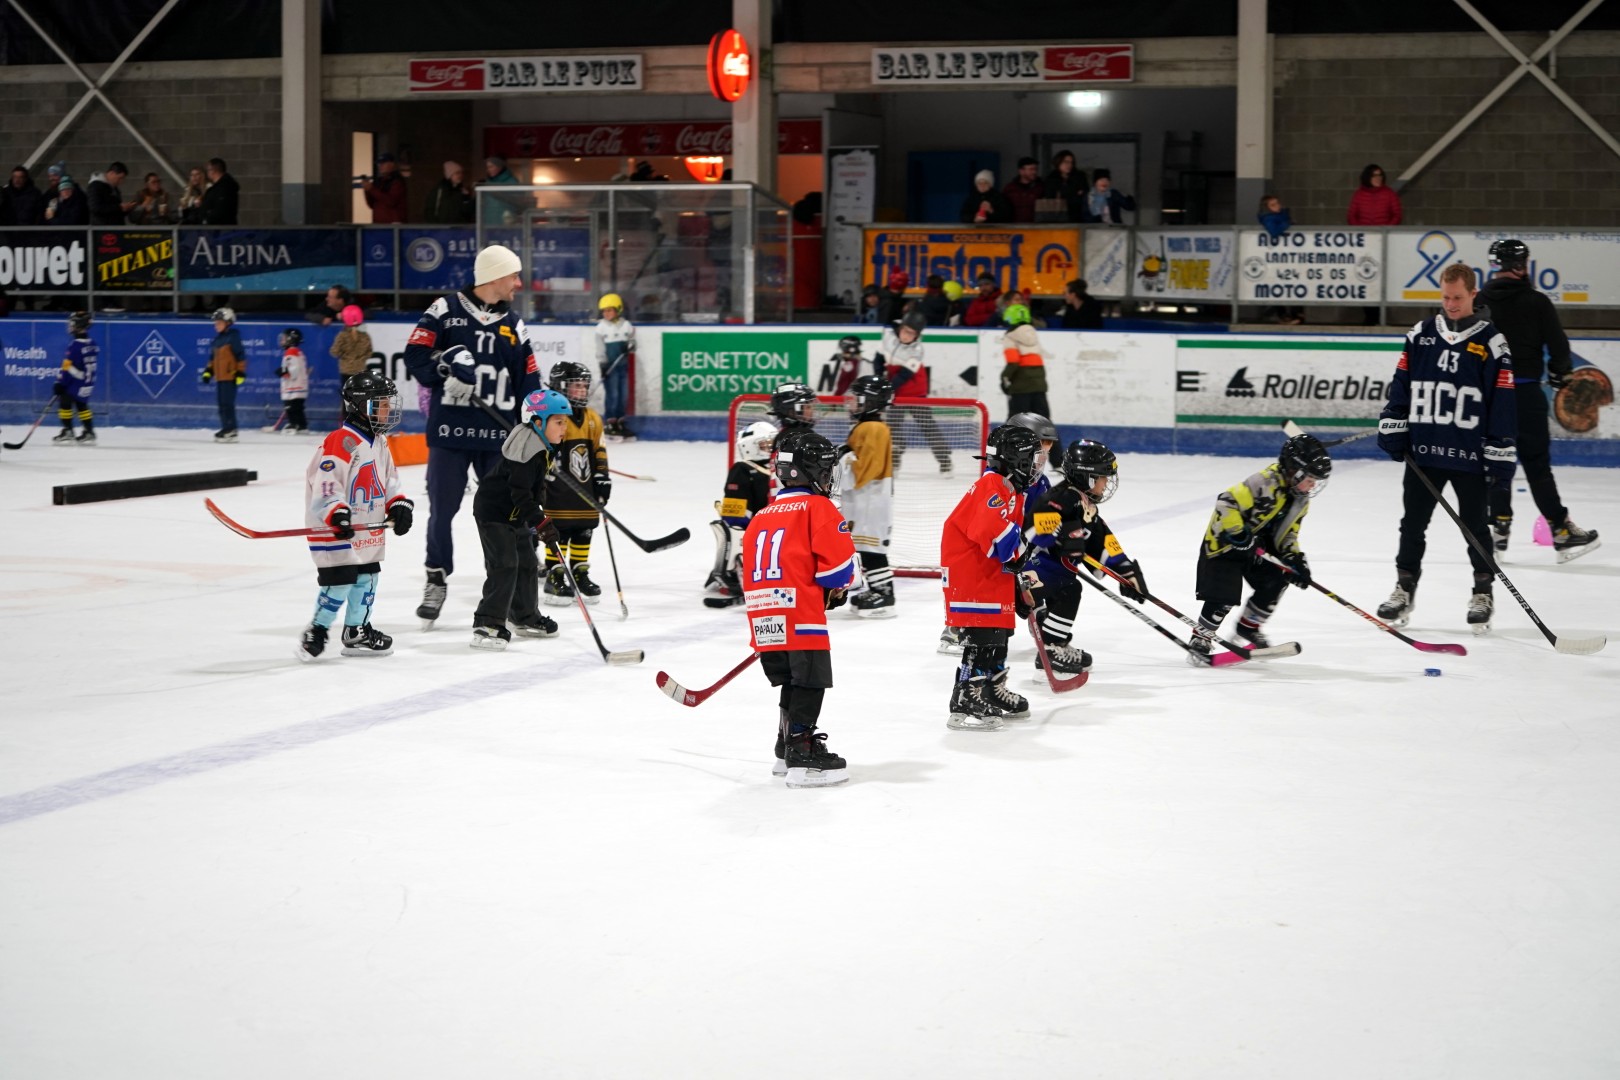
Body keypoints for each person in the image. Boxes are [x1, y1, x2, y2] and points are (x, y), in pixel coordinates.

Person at [402, 243, 542, 627]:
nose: (518, 283)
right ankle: (436, 577)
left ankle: (512, 593)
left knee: (505, 516)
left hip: (498, 438)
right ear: (495, 276)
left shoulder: (514, 324)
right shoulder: (444, 310)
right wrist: (443, 367)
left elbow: (529, 382)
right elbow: (415, 355)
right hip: (450, 433)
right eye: (513, 275)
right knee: (442, 511)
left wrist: (537, 426)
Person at [1376, 263, 1518, 634]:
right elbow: (1402, 383)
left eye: (1457, 297)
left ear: (1473, 294)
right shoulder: (1421, 334)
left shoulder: (1492, 342)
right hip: (1425, 451)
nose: (1451, 304)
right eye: (1445, 297)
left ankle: (1482, 592)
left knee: (1475, 527)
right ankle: (1404, 588)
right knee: (1412, 524)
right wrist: (1394, 420)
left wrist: (1500, 450)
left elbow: (1502, 402)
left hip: (1468, 455)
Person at [742, 428, 858, 788]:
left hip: (763, 617)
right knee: (809, 681)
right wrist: (835, 590)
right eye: (825, 468)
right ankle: (802, 751)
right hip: (800, 615)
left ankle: (785, 748)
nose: (828, 475)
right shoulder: (818, 507)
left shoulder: (762, 515)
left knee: (791, 682)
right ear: (812, 471)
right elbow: (838, 571)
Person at [1479, 238, 1600, 562]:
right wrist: (1560, 374)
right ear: (1520, 265)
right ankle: (1560, 530)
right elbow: (1558, 346)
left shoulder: (1480, 301)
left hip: (1491, 399)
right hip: (1527, 395)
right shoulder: (1537, 302)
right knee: (1536, 466)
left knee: (1496, 462)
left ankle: (1498, 529)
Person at [941, 424, 1053, 731]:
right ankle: (965, 697)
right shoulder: (992, 485)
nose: (1036, 466)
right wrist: (1026, 547)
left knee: (999, 637)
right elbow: (996, 539)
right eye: (1032, 459)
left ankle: (990, 689)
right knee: (981, 639)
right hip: (973, 577)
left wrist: (1021, 583)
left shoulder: (1009, 488)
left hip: (990, 575)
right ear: (1017, 459)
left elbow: (1010, 550)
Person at [296, 372, 414, 662]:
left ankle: (356, 631)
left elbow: (389, 480)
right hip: (336, 527)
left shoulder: (379, 441)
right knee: (340, 580)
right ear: (363, 406)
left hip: (367, 526)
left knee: (367, 577)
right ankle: (317, 630)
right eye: (382, 404)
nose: (388, 409)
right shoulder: (342, 441)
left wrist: (398, 504)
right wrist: (337, 513)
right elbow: (326, 484)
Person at [1188, 434, 1332, 663]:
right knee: (1224, 596)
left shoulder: (1301, 501)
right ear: (1294, 470)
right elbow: (1226, 501)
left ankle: (1248, 627)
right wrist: (1238, 533)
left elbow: (1289, 533)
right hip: (1225, 545)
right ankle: (1202, 637)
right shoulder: (1264, 482)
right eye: (1310, 478)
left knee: (1278, 579)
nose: (1312, 485)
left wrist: (1294, 559)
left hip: (1259, 548)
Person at [1025, 438, 1151, 675]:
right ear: (1087, 477)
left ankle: (1053, 642)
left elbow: (1102, 541)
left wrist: (1125, 570)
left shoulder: (1086, 505)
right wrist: (1062, 535)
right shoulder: (1059, 498)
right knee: (1069, 589)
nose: (1107, 483)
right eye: (1103, 477)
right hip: (1029, 570)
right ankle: (1051, 649)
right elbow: (1034, 529)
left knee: (1067, 589)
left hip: (1053, 573)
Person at [469, 388, 574, 649]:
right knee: (504, 565)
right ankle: (488, 622)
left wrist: (540, 515)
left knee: (527, 563)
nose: (564, 428)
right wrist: (541, 522)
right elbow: (520, 494)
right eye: (558, 422)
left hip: (515, 515)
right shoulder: (526, 451)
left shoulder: (544, 444)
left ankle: (525, 616)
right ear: (538, 422)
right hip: (494, 513)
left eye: (565, 422)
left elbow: (534, 489)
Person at [540, 361, 611, 606]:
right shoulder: (553, 417)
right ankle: (555, 574)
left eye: (584, 386)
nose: (582, 390)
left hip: (585, 488)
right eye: (575, 386)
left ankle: (579, 572)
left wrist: (602, 478)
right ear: (560, 387)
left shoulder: (592, 418)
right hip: (556, 490)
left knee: (584, 528)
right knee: (557, 530)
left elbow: (599, 450)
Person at [840, 375, 898, 618]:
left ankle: (884, 595)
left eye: (857, 398)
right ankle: (877, 590)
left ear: (870, 401)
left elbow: (863, 470)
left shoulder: (872, 428)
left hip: (870, 502)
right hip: (866, 501)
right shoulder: (869, 426)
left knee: (872, 549)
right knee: (865, 548)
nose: (851, 403)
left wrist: (841, 458)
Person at [705, 420, 777, 606]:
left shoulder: (777, 467)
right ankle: (740, 574)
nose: (770, 447)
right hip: (758, 533)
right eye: (765, 444)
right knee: (736, 532)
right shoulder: (742, 470)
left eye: (772, 443)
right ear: (749, 446)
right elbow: (735, 517)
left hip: (778, 528)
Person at [878, 309, 952, 474]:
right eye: (905, 331)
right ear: (900, 327)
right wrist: (879, 379)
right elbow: (879, 358)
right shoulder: (888, 337)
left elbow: (904, 375)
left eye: (911, 334)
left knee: (927, 426)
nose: (906, 336)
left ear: (917, 335)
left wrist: (887, 388)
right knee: (892, 426)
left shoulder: (917, 350)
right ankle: (895, 456)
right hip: (895, 391)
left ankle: (944, 459)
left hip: (915, 391)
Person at [51, 310, 98, 444]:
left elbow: (67, 366)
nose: (70, 326)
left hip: (75, 382)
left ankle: (68, 431)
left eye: (72, 323)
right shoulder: (92, 343)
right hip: (87, 381)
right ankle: (89, 432)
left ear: (79, 325)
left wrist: (60, 382)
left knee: (65, 403)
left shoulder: (75, 346)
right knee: (81, 405)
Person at [594, 292, 637, 440]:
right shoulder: (601, 328)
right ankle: (610, 422)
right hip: (609, 368)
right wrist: (603, 365)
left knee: (623, 395)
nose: (606, 313)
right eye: (604, 311)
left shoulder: (626, 326)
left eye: (609, 310)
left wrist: (630, 346)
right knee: (613, 394)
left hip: (622, 366)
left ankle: (620, 422)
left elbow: (633, 342)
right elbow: (600, 349)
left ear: (618, 310)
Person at [199, 306, 245, 442]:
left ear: (228, 323)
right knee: (221, 404)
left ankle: (231, 429)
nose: (216, 326)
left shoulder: (233, 338)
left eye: (219, 323)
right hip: (220, 378)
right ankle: (226, 427)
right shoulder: (217, 341)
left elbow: (240, 356)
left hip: (230, 376)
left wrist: (240, 372)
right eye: (215, 324)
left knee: (227, 404)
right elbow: (213, 359)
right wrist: (208, 371)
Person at [1000, 302, 1051, 419]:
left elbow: (1013, 362)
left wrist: (1004, 378)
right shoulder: (1033, 334)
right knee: (1042, 420)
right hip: (1039, 385)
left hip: (1020, 386)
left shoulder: (1010, 336)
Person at [1257, 195, 1304, 325]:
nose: (1277, 206)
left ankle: (1296, 312)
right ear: (1267, 208)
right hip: (1276, 258)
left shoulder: (1283, 215)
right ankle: (1283, 314)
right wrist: (1287, 224)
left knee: (1294, 281)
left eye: (1277, 203)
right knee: (1278, 284)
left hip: (1288, 256)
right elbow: (1274, 231)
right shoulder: (1268, 218)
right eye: (1273, 205)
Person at [329, 304, 372, 391]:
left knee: (348, 397)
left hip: (346, 371)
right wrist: (360, 359)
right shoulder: (365, 336)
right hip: (361, 370)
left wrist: (343, 355)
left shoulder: (342, 336)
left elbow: (334, 352)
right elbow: (369, 353)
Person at [276, 328, 310, 433]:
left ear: (291, 340)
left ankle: (293, 424)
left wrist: (284, 372)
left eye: (284, 338)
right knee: (298, 408)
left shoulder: (291, 352)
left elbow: (294, 370)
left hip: (294, 387)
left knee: (291, 407)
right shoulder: (297, 352)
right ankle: (302, 425)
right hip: (300, 386)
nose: (282, 341)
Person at [361, 153, 408, 224]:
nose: (380, 166)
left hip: (393, 225)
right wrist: (367, 190)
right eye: (379, 163)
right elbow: (372, 204)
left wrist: (372, 189)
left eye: (383, 163)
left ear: (392, 164)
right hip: (378, 224)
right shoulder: (379, 181)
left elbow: (391, 201)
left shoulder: (397, 181)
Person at [1044, 151, 1087, 222]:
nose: (1069, 165)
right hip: (1057, 217)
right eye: (1066, 162)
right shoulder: (1051, 179)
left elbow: (1083, 194)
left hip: (1077, 216)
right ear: (1058, 162)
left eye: (1071, 162)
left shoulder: (1079, 176)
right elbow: (1050, 198)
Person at [1002, 156, 1045, 224]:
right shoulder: (1010, 189)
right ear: (1021, 171)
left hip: (1035, 227)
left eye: (1036, 169)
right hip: (1014, 226)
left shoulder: (1041, 187)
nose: (1034, 172)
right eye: (1031, 169)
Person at [200, 158, 238, 225]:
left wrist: (207, 219)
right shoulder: (218, 187)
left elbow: (220, 210)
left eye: (208, 170)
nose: (207, 173)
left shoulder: (225, 187)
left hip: (220, 226)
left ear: (213, 170)